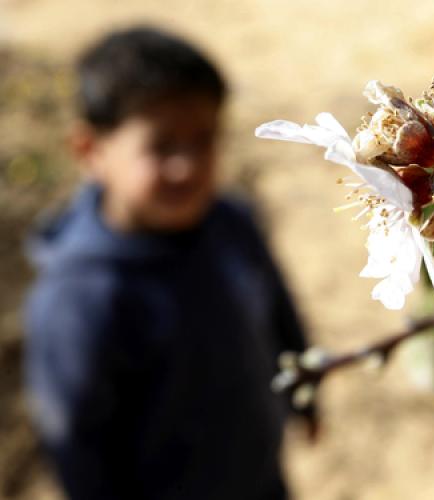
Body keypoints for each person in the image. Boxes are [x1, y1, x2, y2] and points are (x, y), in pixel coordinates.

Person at [24, 26, 311, 500]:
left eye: (204, 139)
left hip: (261, 478)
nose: (188, 165)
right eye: (162, 146)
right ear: (90, 151)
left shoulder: (232, 223)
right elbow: (76, 440)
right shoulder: (78, 298)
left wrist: (305, 395)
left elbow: (278, 309)